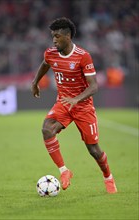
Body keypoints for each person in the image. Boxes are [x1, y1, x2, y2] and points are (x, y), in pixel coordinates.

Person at [31, 17, 117, 193]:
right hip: (63, 103)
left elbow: (94, 86)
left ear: (68, 36)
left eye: (57, 36)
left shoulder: (82, 56)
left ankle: (108, 176)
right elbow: (45, 64)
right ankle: (64, 171)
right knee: (47, 129)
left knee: (93, 149)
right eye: (52, 36)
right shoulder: (51, 52)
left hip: (83, 107)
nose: (54, 40)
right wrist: (35, 81)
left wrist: (77, 99)